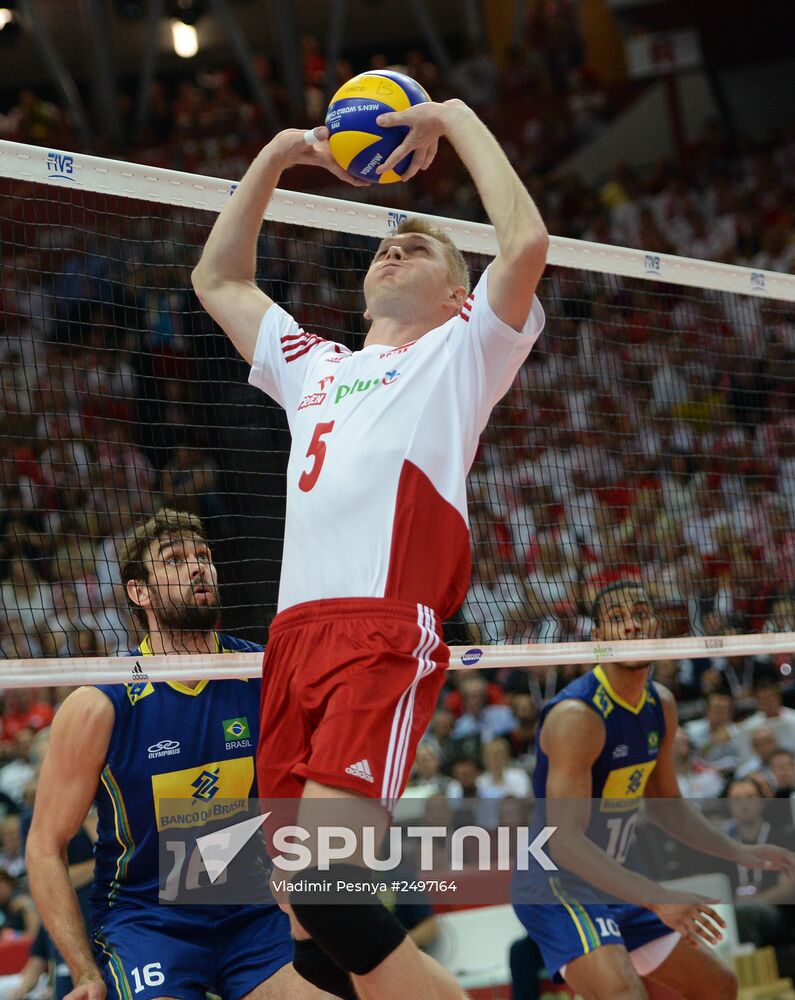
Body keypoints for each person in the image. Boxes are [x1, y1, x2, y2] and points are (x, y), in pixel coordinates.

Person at [192, 95, 548, 1000]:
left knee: (324, 885)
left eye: (417, 247)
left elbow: (524, 244)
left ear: (458, 294)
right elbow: (220, 282)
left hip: (379, 633)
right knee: (306, 914)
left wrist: (453, 117)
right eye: (384, 246)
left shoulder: (467, 350)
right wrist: (278, 154)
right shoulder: (316, 363)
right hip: (291, 641)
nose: (390, 249)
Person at [25, 509, 322, 1000]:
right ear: (139, 592)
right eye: (175, 559)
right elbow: (43, 847)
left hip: (254, 912)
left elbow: (305, 795)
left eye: (203, 556)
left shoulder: (262, 673)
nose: (198, 567)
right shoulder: (100, 705)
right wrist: (84, 973)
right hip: (148, 921)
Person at [513, 579, 795, 1000]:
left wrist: (740, 851)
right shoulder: (578, 716)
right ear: (597, 639)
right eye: (617, 619)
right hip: (556, 884)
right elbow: (566, 844)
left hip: (615, 879)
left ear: (657, 627)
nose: (632, 626)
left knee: (719, 987)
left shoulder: (660, 704)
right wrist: (658, 897)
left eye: (641, 614)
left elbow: (668, 808)